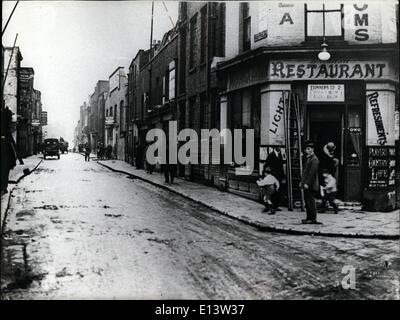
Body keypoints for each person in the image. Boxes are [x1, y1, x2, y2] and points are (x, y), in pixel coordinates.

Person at [301, 140, 321, 224]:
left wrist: (307, 183)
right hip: (307, 183)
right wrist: (302, 182)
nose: (307, 151)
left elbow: (311, 173)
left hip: (310, 184)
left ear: (312, 149)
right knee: (307, 201)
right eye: (306, 149)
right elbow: (305, 172)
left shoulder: (314, 159)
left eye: (309, 149)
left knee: (310, 201)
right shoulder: (309, 158)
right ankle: (308, 217)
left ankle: (313, 218)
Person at [263, 146, 285, 211]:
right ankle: (268, 206)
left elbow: (281, 167)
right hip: (272, 176)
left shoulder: (280, 155)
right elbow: (266, 166)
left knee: (277, 191)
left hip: (279, 177)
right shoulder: (271, 155)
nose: (280, 148)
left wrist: (283, 176)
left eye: (280, 147)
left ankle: (276, 206)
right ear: (275, 147)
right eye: (279, 147)